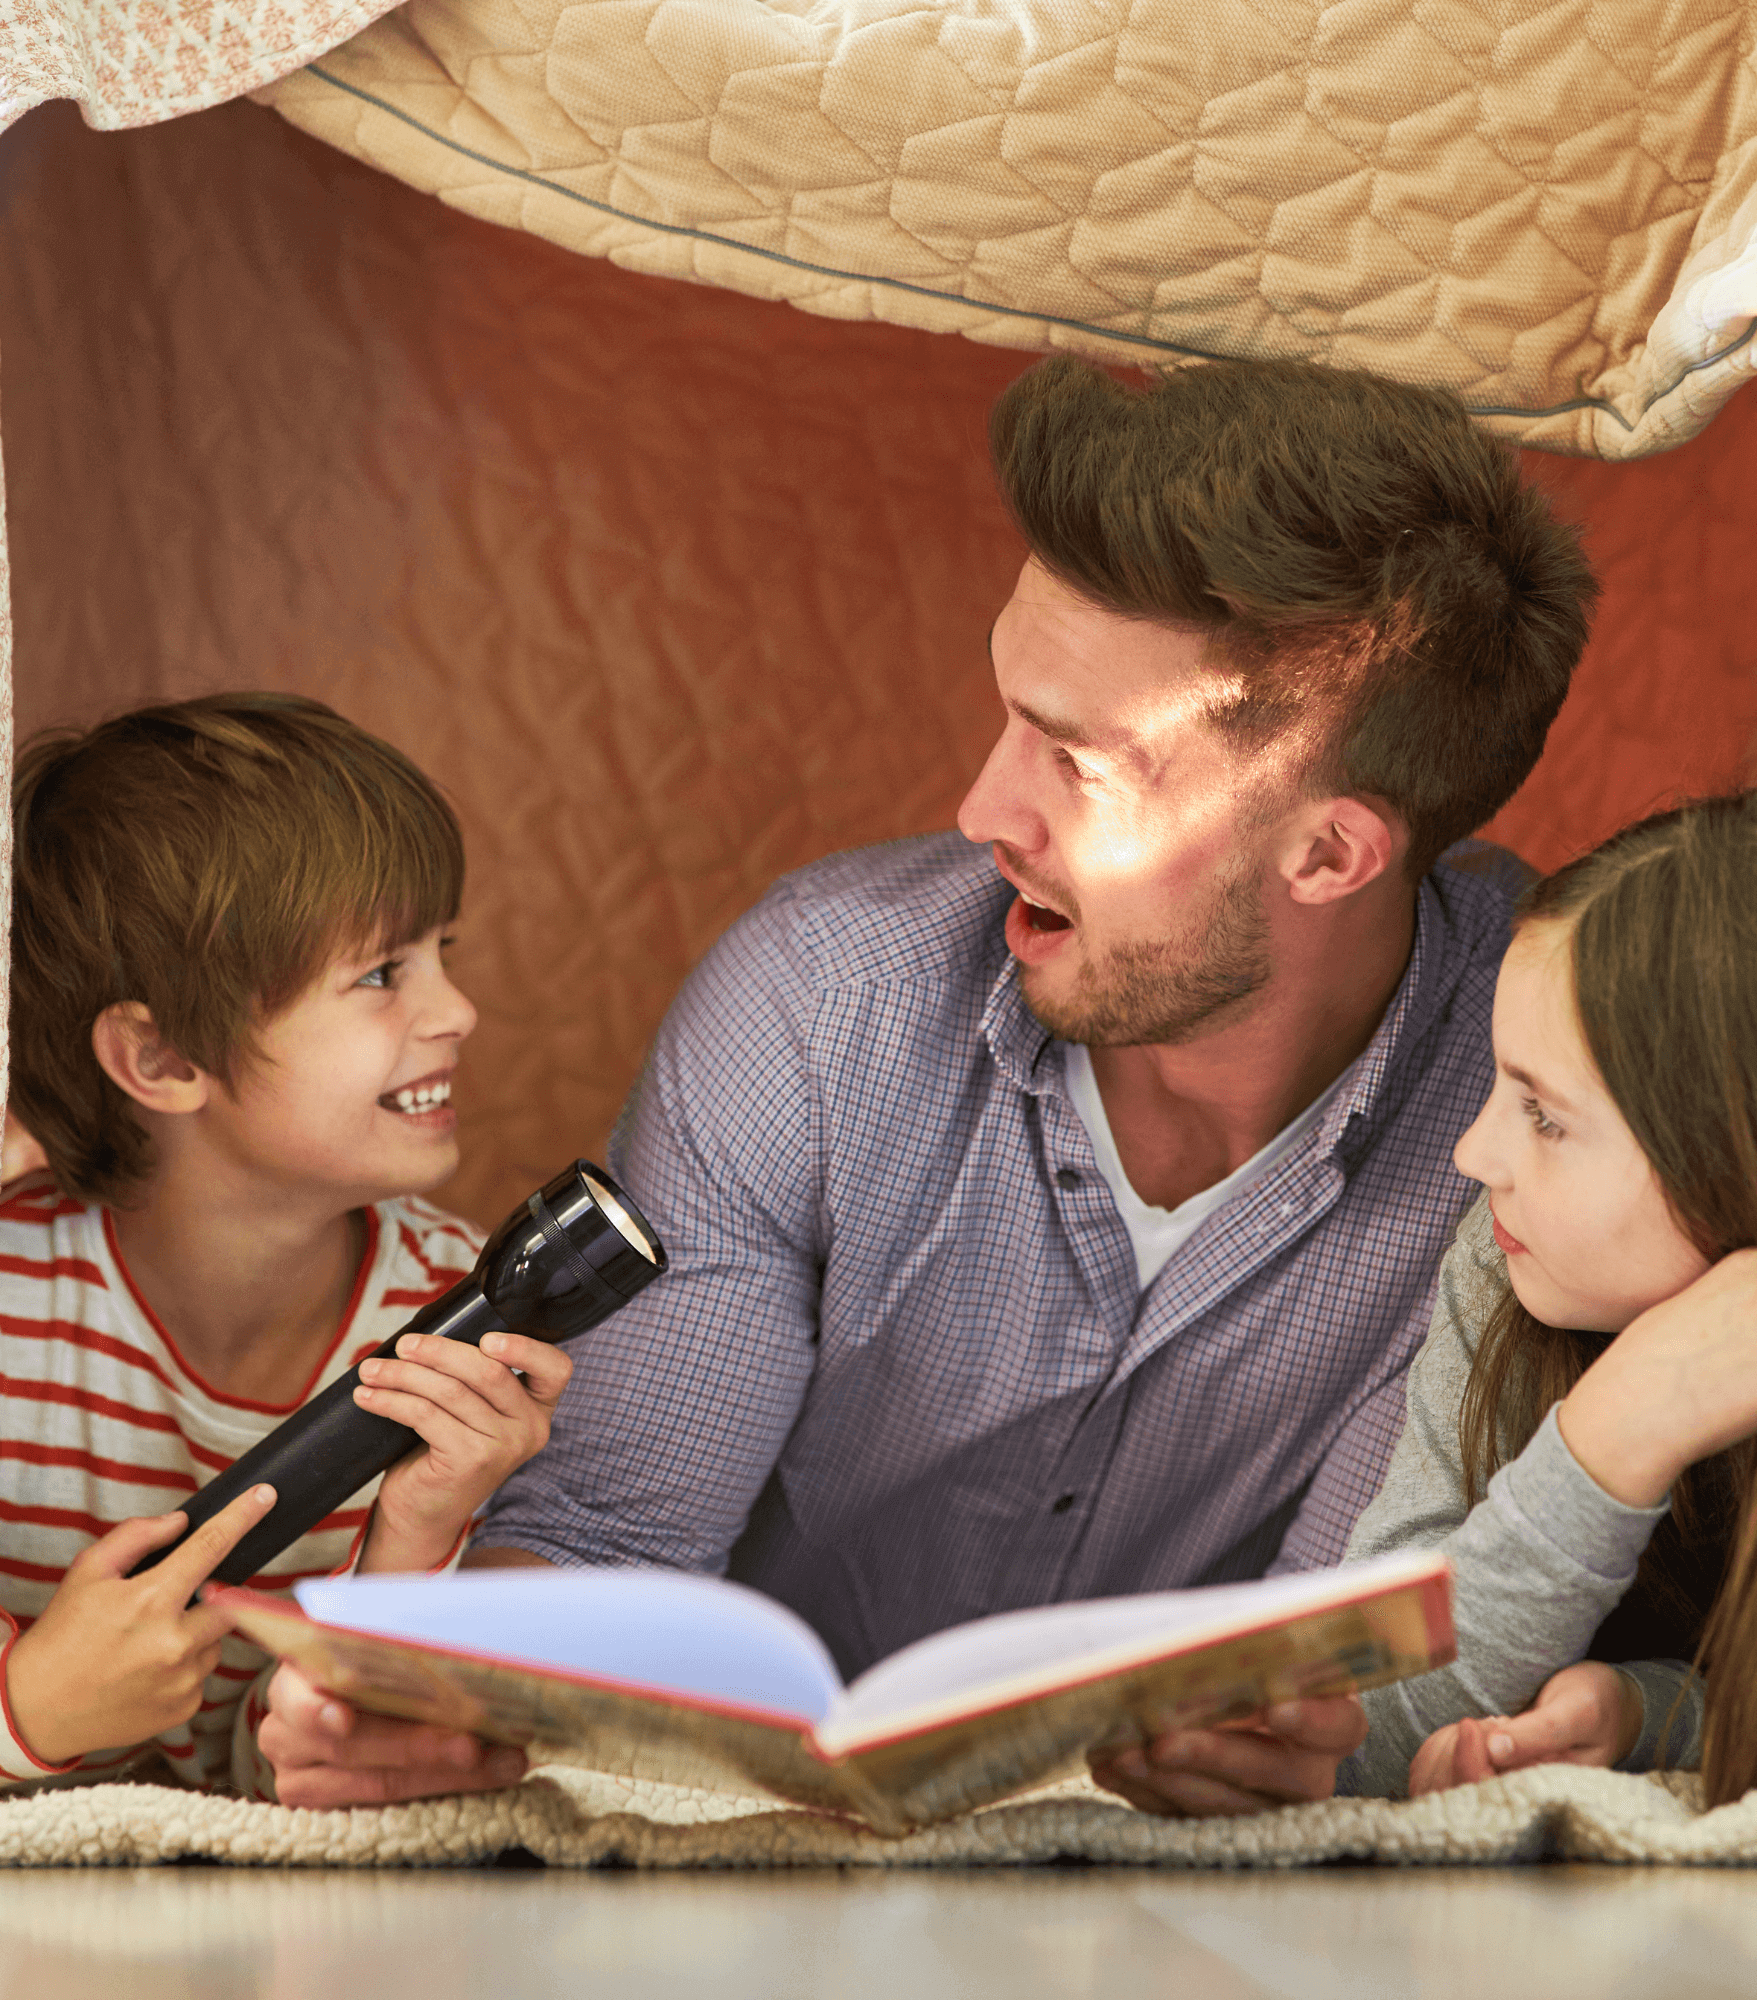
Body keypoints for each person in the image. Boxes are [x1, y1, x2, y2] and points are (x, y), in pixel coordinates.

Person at [261, 355, 1600, 1813]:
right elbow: (606, 1538)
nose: (982, 810)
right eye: (1008, 713)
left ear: (1330, 853)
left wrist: (1297, 1741)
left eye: (1076, 764)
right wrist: (460, 1706)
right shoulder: (817, 1002)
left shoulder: (1543, 1108)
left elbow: (1362, 1655)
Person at [0, 694, 568, 1798]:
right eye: (381, 974)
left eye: (441, 951)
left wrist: (416, 1529)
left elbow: (298, 1774)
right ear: (160, 1059)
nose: (459, 1010)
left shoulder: (452, 1302)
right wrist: (29, 1706)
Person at [1342, 791, 1757, 1803]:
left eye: (1544, 1116)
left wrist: (1618, 1428)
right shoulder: (1509, 1264)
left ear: (1745, 1162)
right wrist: (1646, 1714)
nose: (1473, 1153)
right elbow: (1361, 1713)